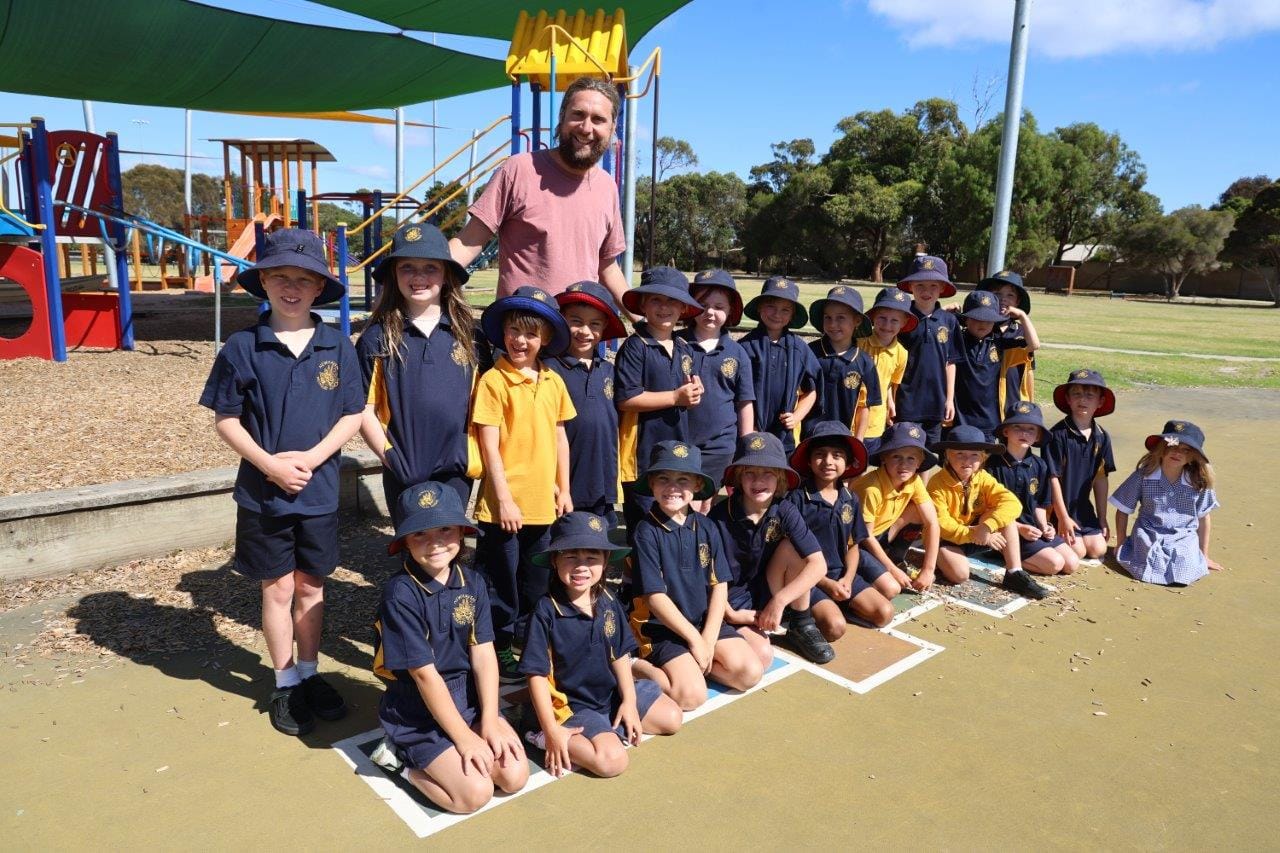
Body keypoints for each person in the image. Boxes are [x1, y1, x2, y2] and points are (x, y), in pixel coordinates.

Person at [198, 228, 363, 736]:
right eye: (281, 277)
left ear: (319, 289)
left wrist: (312, 458)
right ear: (263, 281)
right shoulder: (243, 346)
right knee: (278, 588)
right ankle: (285, 680)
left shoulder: (338, 343)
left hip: (317, 491)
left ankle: (310, 672)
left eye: (304, 279)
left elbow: (353, 414)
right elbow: (226, 419)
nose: (292, 287)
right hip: (263, 494)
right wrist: (269, 464)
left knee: (311, 586)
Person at [372, 482, 529, 812]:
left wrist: (488, 719)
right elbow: (424, 675)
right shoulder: (400, 594)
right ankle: (400, 762)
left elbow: (484, 653)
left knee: (513, 777)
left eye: (444, 529)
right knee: (473, 795)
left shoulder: (472, 581)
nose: (435, 543)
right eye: (420, 534)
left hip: (468, 699)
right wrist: (463, 737)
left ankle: (471, 732)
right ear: (404, 542)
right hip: (418, 709)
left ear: (460, 531)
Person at [520, 512, 682, 778]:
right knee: (612, 762)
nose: (581, 567)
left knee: (672, 718)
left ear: (606, 561)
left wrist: (629, 701)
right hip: (573, 705)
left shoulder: (607, 599)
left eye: (591, 557)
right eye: (571, 556)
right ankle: (536, 731)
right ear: (554, 560)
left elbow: (619, 654)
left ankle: (608, 725)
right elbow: (536, 674)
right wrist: (551, 730)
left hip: (609, 694)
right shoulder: (545, 611)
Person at [471, 286, 576, 681]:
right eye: (514, 330)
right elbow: (489, 445)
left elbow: (560, 436)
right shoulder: (494, 381)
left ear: (545, 338)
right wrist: (504, 500)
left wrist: (562, 487)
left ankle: (527, 643)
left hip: (542, 504)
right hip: (504, 506)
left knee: (536, 580)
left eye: (531, 334)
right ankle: (495, 647)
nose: (521, 340)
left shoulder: (552, 381)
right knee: (501, 581)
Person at [449, 77, 628, 305]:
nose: (586, 128)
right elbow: (468, 242)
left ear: (612, 128)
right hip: (522, 332)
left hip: (578, 334)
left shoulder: (607, 187)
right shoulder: (518, 170)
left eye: (598, 120)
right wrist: (420, 274)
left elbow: (608, 268)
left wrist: (645, 322)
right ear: (562, 117)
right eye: (578, 114)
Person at [628, 441, 764, 710]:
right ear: (652, 484)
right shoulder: (645, 531)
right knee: (691, 698)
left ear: (698, 486)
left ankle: (693, 665)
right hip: (661, 629)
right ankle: (636, 666)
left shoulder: (706, 526)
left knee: (750, 673)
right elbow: (655, 598)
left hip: (701, 623)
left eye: (683, 480)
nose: (673, 488)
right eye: (664, 479)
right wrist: (695, 640)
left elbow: (719, 584)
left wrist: (708, 639)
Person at [357, 222, 481, 515]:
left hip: (456, 465)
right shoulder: (377, 338)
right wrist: (387, 454)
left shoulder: (472, 336)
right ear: (393, 275)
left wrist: (469, 452)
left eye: (430, 268)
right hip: (403, 463)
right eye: (408, 267)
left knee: (449, 544)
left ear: (447, 274)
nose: (419, 277)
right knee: (413, 546)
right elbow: (362, 408)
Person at [709, 432, 831, 665]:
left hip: (766, 589)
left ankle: (800, 623)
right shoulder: (718, 518)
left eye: (768, 473)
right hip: (730, 597)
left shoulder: (784, 509)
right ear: (738, 478)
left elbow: (818, 564)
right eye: (749, 473)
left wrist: (780, 601)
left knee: (792, 549)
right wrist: (730, 614)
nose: (758, 481)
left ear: (780, 479)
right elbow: (709, 577)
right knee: (763, 657)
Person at [615, 267, 706, 536]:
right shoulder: (635, 346)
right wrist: (675, 397)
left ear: (683, 309)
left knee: (672, 519)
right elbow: (626, 399)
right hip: (642, 452)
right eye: (656, 299)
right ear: (643, 304)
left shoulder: (684, 347)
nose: (664, 307)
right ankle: (637, 577)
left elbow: (686, 391)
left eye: (671, 301)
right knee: (642, 523)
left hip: (677, 450)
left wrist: (693, 393)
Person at [786, 422, 899, 634]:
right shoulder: (797, 499)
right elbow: (790, 556)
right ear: (809, 461)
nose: (828, 461)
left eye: (837, 455)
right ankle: (803, 614)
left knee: (884, 613)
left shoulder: (850, 499)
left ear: (847, 463)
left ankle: (840, 603)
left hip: (840, 574)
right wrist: (827, 584)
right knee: (835, 628)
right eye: (820, 454)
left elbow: (853, 545)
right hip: (808, 578)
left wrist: (847, 579)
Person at [926, 425, 1051, 599]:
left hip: (978, 533)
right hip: (947, 539)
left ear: (983, 457)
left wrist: (986, 527)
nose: (967, 461)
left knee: (1003, 515)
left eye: (974, 455)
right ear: (947, 454)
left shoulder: (982, 477)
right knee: (959, 575)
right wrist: (976, 533)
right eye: (959, 453)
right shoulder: (936, 484)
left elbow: (1012, 502)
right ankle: (939, 558)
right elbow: (943, 525)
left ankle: (1014, 572)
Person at [547, 281, 628, 524]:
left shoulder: (610, 371)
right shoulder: (549, 369)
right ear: (561, 321)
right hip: (563, 485)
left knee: (596, 548)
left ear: (604, 328)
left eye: (594, 324)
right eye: (576, 321)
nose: (585, 331)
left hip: (601, 483)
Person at [677, 268, 755, 510]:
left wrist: (746, 445)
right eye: (703, 304)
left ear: (730, 311)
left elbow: (744, 402)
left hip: (720, 445)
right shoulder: (676, 343)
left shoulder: (738, 352)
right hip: (680, 439)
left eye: (719, 307)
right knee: (679, 499)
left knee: (704, 504)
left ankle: (701, 546)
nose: (710, 312)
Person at [1110, 420, 1223, 585]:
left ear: (1193, 456)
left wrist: (1204, 555)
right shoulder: (1144, 476)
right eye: (1172, 445)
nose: (1177, 452)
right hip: (1148, 531)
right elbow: (1123, 509)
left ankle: (1189, 561)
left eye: (1185, 450)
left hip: (1183, 535)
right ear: (1161, 448)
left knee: (1184, 560)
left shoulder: (1198, 482)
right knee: (1147, 556)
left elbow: (1204, 518)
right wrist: (1120, 543)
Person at [985, 402, 1080, 578]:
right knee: (1054, 564)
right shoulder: (992, 465)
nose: (1024, 433)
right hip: (1006, 529)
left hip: (1033, 528)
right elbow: (988, 509)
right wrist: (1020, 528)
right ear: (1006, 431)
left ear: (1037, 436)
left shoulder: (1040, 465)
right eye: (1017, 427)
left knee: (1072, 563)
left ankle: (1027, 552)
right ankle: (1003, 553)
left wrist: (1046, 526)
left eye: (1031, 429)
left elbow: (1041, 505)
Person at [850, 421, 943, 591]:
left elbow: (932, 522)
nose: (904, 464)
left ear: (919, 462)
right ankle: (867, 573)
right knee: (891, 589)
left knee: (920, 510)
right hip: (857, 543)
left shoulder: (913, 480)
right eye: (896, 457)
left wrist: (928, 570)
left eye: (911, 458)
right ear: (884, 458)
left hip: (881, 534)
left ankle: (894, 558)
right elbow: (865, 536)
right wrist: (891, 570)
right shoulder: (871, 488)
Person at [739, 275, 820, 454]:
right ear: (760, 307)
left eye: (785, 310)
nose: (777, 314)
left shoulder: (799, 349)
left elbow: (811, 391)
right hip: (749, 432)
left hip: (784, 438)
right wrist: (748, 426)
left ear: (792, 315)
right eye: (771, 307)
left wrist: (797, 416)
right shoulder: (744, 347)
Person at [1044, 369, 1116, 561]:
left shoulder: (1102, 437)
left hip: (1083, 508)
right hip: (1056, 508)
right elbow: (1052, 479)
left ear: (1100, 402)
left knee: (1098, 549)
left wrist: (1102, 518)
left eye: (1089, 395)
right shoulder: (1057, 435)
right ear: (1067, 399)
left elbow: (1101, 478)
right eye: (1076, 394)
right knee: (1078, 552)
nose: (1082, 400)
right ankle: (1051, 531)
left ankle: (1083, 529)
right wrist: (1062, 518)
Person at [952, 290, 1039, 441]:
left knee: (986, 462)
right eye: (977, 319)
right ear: (966, 320)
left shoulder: (1000, 342)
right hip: (960, 417)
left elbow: (1034, 345)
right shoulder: (958, 339)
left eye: (989, 320)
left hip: (989, 420)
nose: (983, 324)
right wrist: (944, 311)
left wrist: (1022, 316)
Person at [894, 255, 961, 445]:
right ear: (910, 286)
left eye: (933, 286)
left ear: (942, 288)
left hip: (936, 402)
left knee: (928, 455)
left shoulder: (949, 321)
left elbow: (951, 362)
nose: (926, 291)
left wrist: (949, 399)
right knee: (905, 450)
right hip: (907, 401)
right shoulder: (902, 319)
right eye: (920, 285)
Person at [806, 285, 881, 444]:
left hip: (844, 441)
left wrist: (858, 440)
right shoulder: (809, 353)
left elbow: (864, 407)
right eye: (828, 317)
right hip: (809, 438)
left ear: (857, 321)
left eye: (841, 318)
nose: (833, 324)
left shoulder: (865, 363)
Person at [857, 287, 915, 459]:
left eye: (894, 321)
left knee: (861, 466)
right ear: (873, 317)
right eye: (882, 318)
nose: (887, 325)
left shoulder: (901, 353)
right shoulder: (858, 342)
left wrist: (891, 402)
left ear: (904, 322)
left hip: (875, 420)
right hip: (849, 415)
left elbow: (890, 382)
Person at [976, 269, 1037, 407]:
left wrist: (1022, 316)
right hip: (984, 403)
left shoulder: (1021, 331)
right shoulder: (981, 329)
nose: (1003, 299)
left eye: (1010, 295)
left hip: (1011, 402)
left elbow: (1029, 369)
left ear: (1017, 301)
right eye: (997, 294)